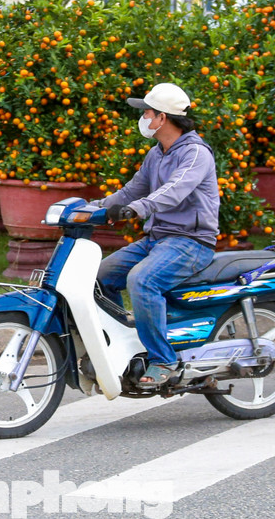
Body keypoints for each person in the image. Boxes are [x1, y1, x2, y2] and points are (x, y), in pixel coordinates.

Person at [92, 82, 220, 387]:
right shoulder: (157, 153)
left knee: (142, 279)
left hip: (191, 242)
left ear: (162, 118)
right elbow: (131, 190)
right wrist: (93, 209)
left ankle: (164, 360)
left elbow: (174, 191)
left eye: (147, 112)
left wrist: (138, 209)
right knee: (98, 277)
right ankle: (127, 343)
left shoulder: (195, 154)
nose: (143, 117)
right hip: (158, 239)